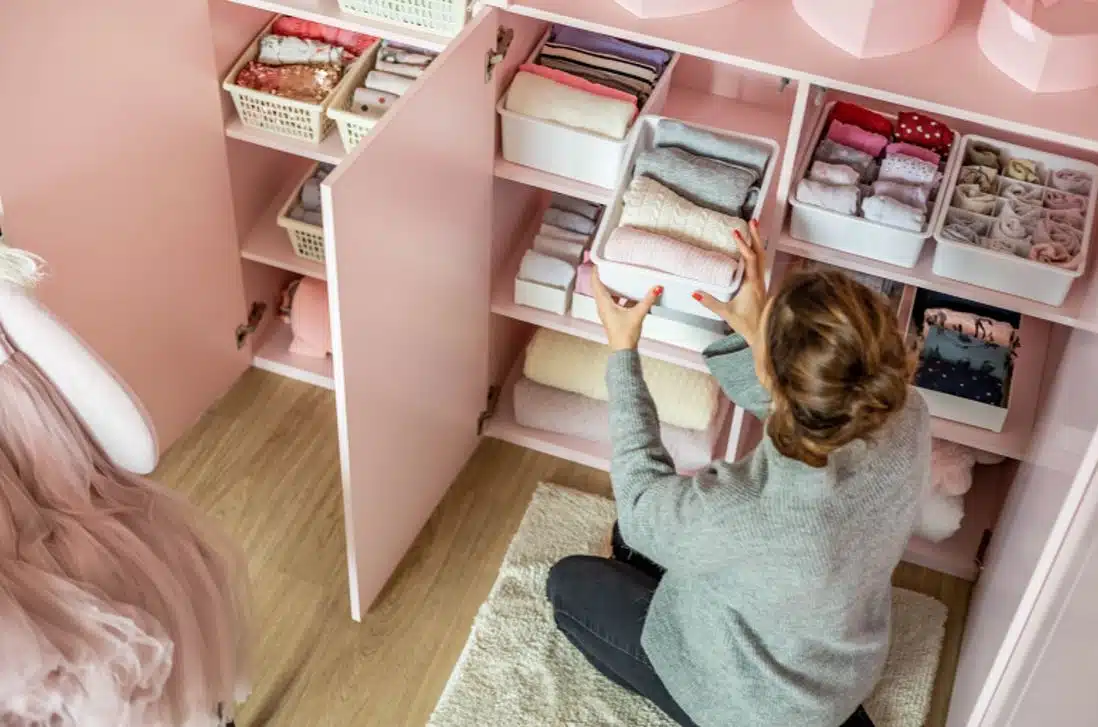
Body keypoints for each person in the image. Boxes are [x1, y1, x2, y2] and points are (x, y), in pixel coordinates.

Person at [545, 220, 930, 727]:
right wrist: (758, 336)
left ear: (772, 372)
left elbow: (640, 502)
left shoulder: (749, 511)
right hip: (835, 668)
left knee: (569, 583)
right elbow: (816, 416)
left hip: (750, 705)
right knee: (632, 543)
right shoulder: (904, 412)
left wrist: (622, 354)